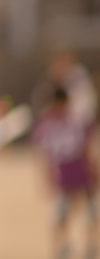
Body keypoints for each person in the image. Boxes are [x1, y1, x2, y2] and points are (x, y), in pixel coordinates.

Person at [33, 85, 99, 259]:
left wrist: (94, 167)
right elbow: (44, 154)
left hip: (83, 174)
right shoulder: (48, 124)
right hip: (66, 176)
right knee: (62, 215)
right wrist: (46, 176)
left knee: (90, 214)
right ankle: (63, 246)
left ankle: (90, 246)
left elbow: (88, 146)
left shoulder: (76, 120)